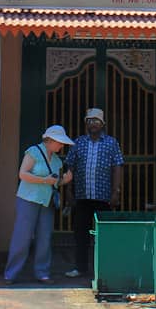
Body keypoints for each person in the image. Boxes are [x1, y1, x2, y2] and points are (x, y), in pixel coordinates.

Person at [3, 125, 74, 284]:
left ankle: (42, 273)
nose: (62, 146)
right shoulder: (33, 152)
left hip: (46, 202)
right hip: (28, 199)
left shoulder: (56, 161)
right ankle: (11, 273)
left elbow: (54, 182)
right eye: (60, 142)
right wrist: (44, 180)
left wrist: (64, 180)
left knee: (45, 237)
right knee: (22, 237)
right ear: (51, 140)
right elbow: (22, 174)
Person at [61, 108, 124, 279]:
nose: (92, 124)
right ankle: (80, 268)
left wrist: (116, 191)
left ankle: (106, 268)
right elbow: (70, 167)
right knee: (81, 234)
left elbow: (117, 167)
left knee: (105, 235)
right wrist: (68, 190)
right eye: (89, 121)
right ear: (86, 124)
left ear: (102, 124)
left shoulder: (111, 143)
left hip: (103, 197)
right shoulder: (78, 142)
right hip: (82, 197)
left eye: (96, 121)